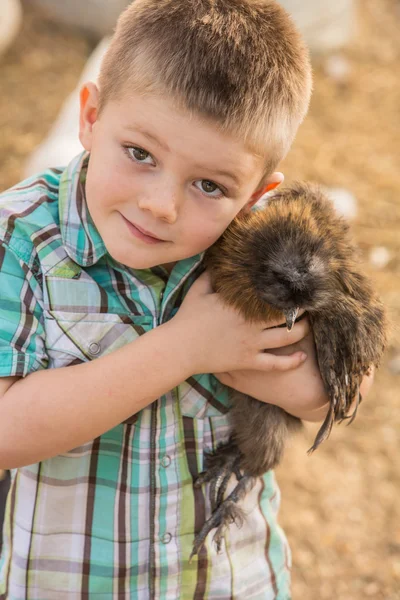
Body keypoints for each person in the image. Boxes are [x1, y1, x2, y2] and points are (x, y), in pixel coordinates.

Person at [0, 1, 374, 598]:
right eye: (140, 154)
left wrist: (239, 353)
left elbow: (341, 389)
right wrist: (183, 349)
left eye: (209, 185)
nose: (161, 205)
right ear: (91, 116)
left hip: (231, 581)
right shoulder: (22, 239)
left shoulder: (262, 244)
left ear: (256, 192)